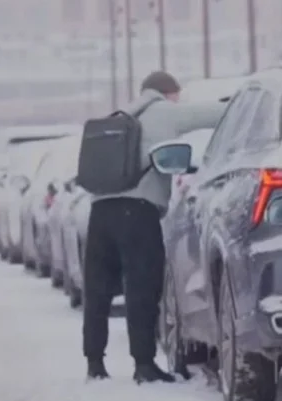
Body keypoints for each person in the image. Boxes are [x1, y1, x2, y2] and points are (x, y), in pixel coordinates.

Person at [83, 71, 226, 383]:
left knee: (97, 290)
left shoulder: (121, 115)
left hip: (100, 209)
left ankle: (95, 363)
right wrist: (236, 99)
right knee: (142, 289)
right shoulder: (164, 111)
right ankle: (144, 364)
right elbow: (213, 114)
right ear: (169, 93)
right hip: (137, 210)